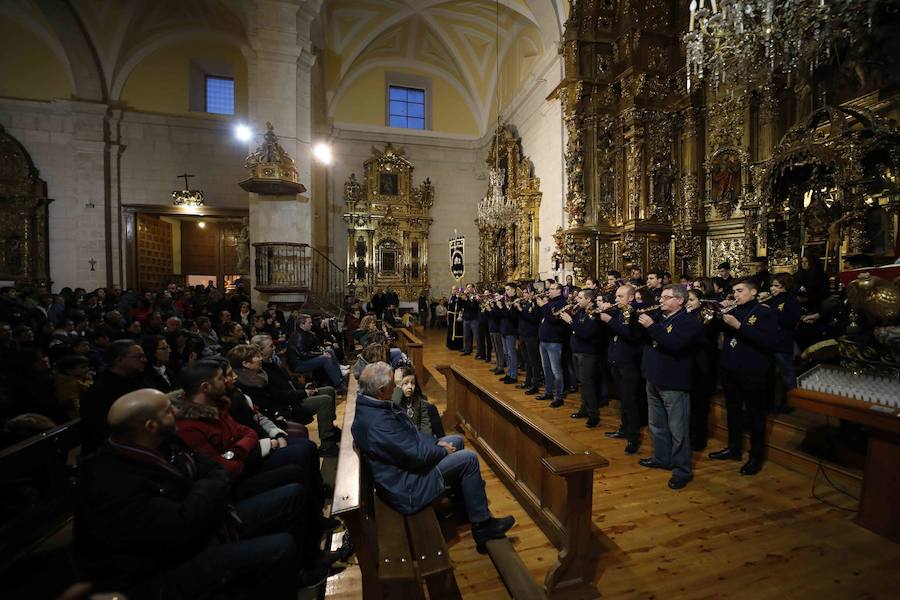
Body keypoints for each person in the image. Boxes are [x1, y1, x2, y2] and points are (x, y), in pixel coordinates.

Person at [74, 388, 327, 599]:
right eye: (168, 410)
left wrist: (206, 484)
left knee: (292, 494)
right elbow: (182, 523)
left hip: (210, 517)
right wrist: (208, 484)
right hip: (163, 565)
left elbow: (214, 469)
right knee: (279, 547)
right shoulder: (109, 479)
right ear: (150, 425)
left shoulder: (164, 440)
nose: (176, 412)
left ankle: (302, 570)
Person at [352, 362, 514, 553]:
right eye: (392, 385)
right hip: (407, 486)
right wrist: (443, 451)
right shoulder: (379, 423)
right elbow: (416, 455)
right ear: (381, 390)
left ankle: (466, 506)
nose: (396, 388)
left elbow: (410, 435)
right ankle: (482, 527)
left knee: (455, 441)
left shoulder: (370, 405)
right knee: (468, 459)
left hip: (402, 471)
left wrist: (437, 443)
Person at [709, 278, 777, 476]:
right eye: (734, 291)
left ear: (754, 292)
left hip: (754, 372)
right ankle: (734, 448)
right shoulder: (733, 310)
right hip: (730, 370)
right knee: (733, 411)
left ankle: (756, 457)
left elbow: (769, 342)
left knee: (756, 415)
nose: (736, 295)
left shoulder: (765, 312)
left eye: (740, 290)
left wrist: (739, 326)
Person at [637, 284, 703, 490]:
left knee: (678, 429)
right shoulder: (658, 317)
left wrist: (650, 326)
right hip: (653, 377)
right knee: (656, 424)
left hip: (673, 381)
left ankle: (682, 470)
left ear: (680, 301)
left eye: (666, 297)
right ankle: (662, 458)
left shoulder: (688, 321)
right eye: (662, 297)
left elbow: (675, 344)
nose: (661, 300)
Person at [599, 285, 644, 454]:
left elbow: (630, 334)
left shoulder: (635, 312)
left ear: (631, 298)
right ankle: (624, 428)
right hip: (616, 360)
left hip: (629, 363)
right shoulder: (618, 311)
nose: (616, 299)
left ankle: (633, 438)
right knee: (622, 399)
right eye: (616, 296)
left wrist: (609, 320)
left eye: (620, 296)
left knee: (630, 401)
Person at [80, 339, 146, 454]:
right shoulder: (99, 392)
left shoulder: (133, 380)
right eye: (139, 357)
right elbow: (104, 433)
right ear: (119, 360)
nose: (145, 360)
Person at [559, 289, 607, 428]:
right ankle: (584, 408)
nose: (577, 300)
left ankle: (593, 414)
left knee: (588, 384)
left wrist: (570, 322)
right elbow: (576, 329)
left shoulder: (593, 314)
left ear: (589, 300)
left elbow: (586, 333)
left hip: (588, 354)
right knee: (582, 383)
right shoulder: (580, 311)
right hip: (577, 351)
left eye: (580, 298)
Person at [765, 273, 802, 413]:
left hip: (783, 341)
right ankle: (772, 402)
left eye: (775, 285)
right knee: (771, 374)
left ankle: (791, 402)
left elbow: (791, 320)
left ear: (784, 286)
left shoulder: (791, 300)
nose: (772, 288)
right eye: (771, 285)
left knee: (787, 372)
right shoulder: (771, 299)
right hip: (770, 341)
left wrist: (771, 313)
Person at [287, 314, 347, 389]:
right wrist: (321, 353)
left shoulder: (307, 333)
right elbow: (304, 355)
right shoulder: (298, 337)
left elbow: (314, 346)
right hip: (299, 363)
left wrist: (321, 349)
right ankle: (338, 384)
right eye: (309, 323)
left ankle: (339, 376)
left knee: (330, 351)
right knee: (326, 358)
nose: (311, 324)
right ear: (302, 324)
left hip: (305, 359)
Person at [535, 282, 568, 406]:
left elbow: (552, 319)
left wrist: (543, 306)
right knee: (546, 369)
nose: (549, 291)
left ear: (559, 291)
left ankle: (558, 397)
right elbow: (542, 317)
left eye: (553, 289)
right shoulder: (550, 302)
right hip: (543, 341)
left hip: (554, 341)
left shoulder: (562, 303)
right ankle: (548, 392)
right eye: (550, 289)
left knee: (556, 371)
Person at [391, 365, 444, 438]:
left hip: (421, 438)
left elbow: (424, 421)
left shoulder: (418, 399)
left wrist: (427, 439)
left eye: (413, 383)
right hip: (405, 440)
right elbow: (395, 404)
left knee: (457, 440)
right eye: (405, 383)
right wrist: (398, 386)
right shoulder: (395, 399)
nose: (410, 386)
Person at [497, 283, 520, 385]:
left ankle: (514, 375)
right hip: (504, 329)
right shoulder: (506, 300)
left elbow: (513, 317)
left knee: (511, 354)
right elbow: (501, 315)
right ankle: (509, 373)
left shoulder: (516, 300)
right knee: (506, 353)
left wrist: (503, 307)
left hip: (511, 330)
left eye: (508, 289)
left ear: (514, 290)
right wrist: (498, 307)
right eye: (505, 290)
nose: (506, 292)